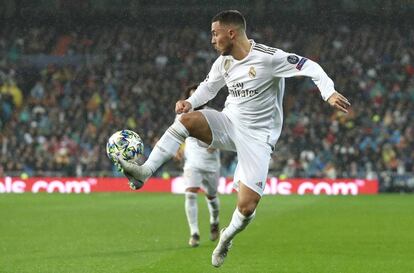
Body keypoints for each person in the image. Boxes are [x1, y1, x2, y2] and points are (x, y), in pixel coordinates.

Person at [117, 10, 350, 267]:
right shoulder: (223, 63)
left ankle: (226, 238)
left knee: (248, 206)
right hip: (228, 123)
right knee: (186, 121)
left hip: (258, 138)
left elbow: (309, 65)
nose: (212, 40)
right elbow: (209, 86)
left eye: (215, 34)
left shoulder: (268, 58)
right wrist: (189, 102)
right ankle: (145, 171)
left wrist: (328, 92)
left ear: (232, 33)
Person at [175, 84, 221, 247]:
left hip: (211, 164)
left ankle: (214, 221)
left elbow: (224, 134)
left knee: (212, 197)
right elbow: (177, 134)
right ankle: (194, 233)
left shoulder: (213, 115)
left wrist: (216, 143)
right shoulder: (183, 116)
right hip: (192, 162)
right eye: (191, 95)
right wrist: (177, 149)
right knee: (190, 194)